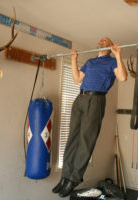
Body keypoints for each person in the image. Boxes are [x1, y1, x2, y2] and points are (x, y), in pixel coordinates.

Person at [52, 37, 127, 198]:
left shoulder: (112, 62)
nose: (101, 40)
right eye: (100, 39)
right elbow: (77, 78)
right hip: (80, 98)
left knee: (86, 140)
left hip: (96, 99)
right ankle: (65, 177)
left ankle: (73, 180)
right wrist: (73, 60)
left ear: (109, 45)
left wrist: (118, 55)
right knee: (72, 138)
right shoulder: (91, 62)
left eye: (105, 39)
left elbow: (122, 77)